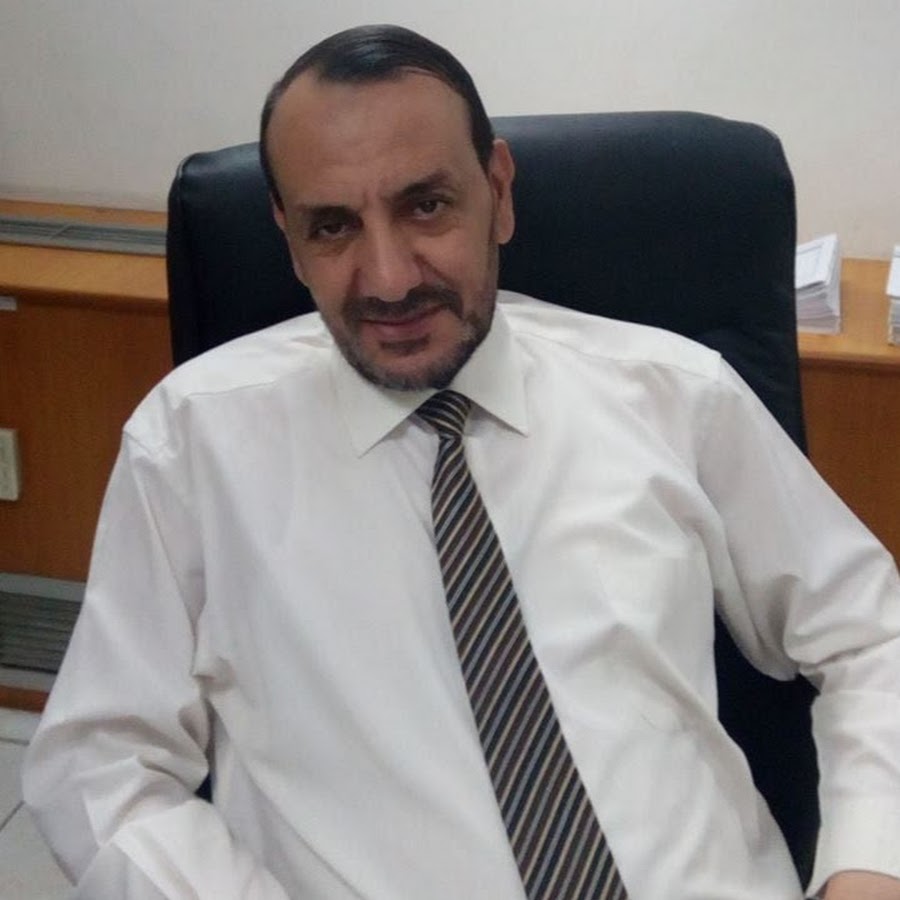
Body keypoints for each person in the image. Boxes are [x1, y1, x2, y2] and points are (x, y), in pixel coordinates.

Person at [22, 23, 900, 900]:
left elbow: (870, 630)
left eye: (426, 206)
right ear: (288, 238)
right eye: (333, 227)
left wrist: (868, 863)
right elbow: (100, 767)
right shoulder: (193, 442)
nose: (390, 279)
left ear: (499, 192)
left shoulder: (675, 395)